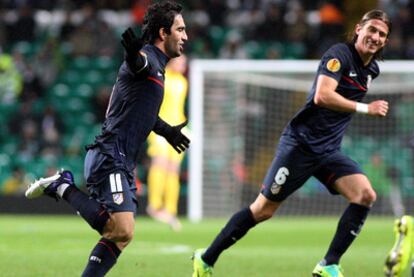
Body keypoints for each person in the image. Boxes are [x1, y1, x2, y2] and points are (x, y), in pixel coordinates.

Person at [192, 9, 391, 277]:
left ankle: (328, 264)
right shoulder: (338, 55)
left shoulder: (372, 70)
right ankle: (205, 259)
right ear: (358, 29)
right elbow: (322, 96)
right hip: (300, 146)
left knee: (365, 195)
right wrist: (366, 108)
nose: (376, 37)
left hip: (328, 151)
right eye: (372, 30)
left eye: (382, 34)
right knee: (262, 210)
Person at [25, 1, 189, 276]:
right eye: (180, 29)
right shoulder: (148, 60)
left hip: (121, 159)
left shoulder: (159, 69)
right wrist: (132, 53)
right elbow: (138, 64)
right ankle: (63, 186)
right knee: (121, 228)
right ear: (164, 33)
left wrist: (167, 131)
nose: (185, 36)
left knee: (121, 236)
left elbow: (142, 112)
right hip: (110, 155)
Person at [146, 54, 188, 231]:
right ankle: (154, 205)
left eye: (184, 62)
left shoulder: (183, 82)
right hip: (160, 128)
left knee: (173, 169)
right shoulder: (161, 77)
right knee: (160, 163)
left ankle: (170, 210)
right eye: (179, 61)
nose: (182, 64)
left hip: (177, 128)